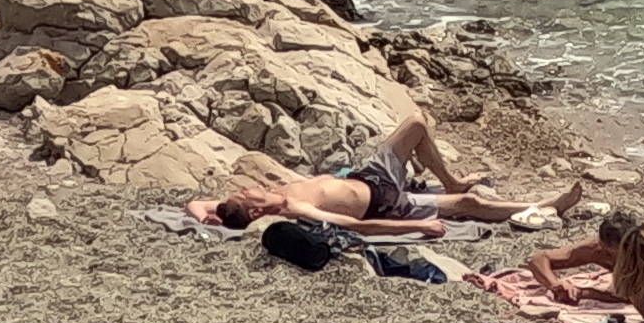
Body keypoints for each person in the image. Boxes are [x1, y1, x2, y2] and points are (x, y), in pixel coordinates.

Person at [185, 118, 584, 236]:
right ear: (256, 213)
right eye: (249, 195)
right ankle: (546, 206)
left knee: (415, 125)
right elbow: (360, 226)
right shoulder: (296, 209)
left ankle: (450, 179)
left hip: (370, 176)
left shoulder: (270, 195)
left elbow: (201, 203)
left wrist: (209, 215)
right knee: (471, 207)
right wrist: (417, 229)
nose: (251, 187)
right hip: (387, 203)